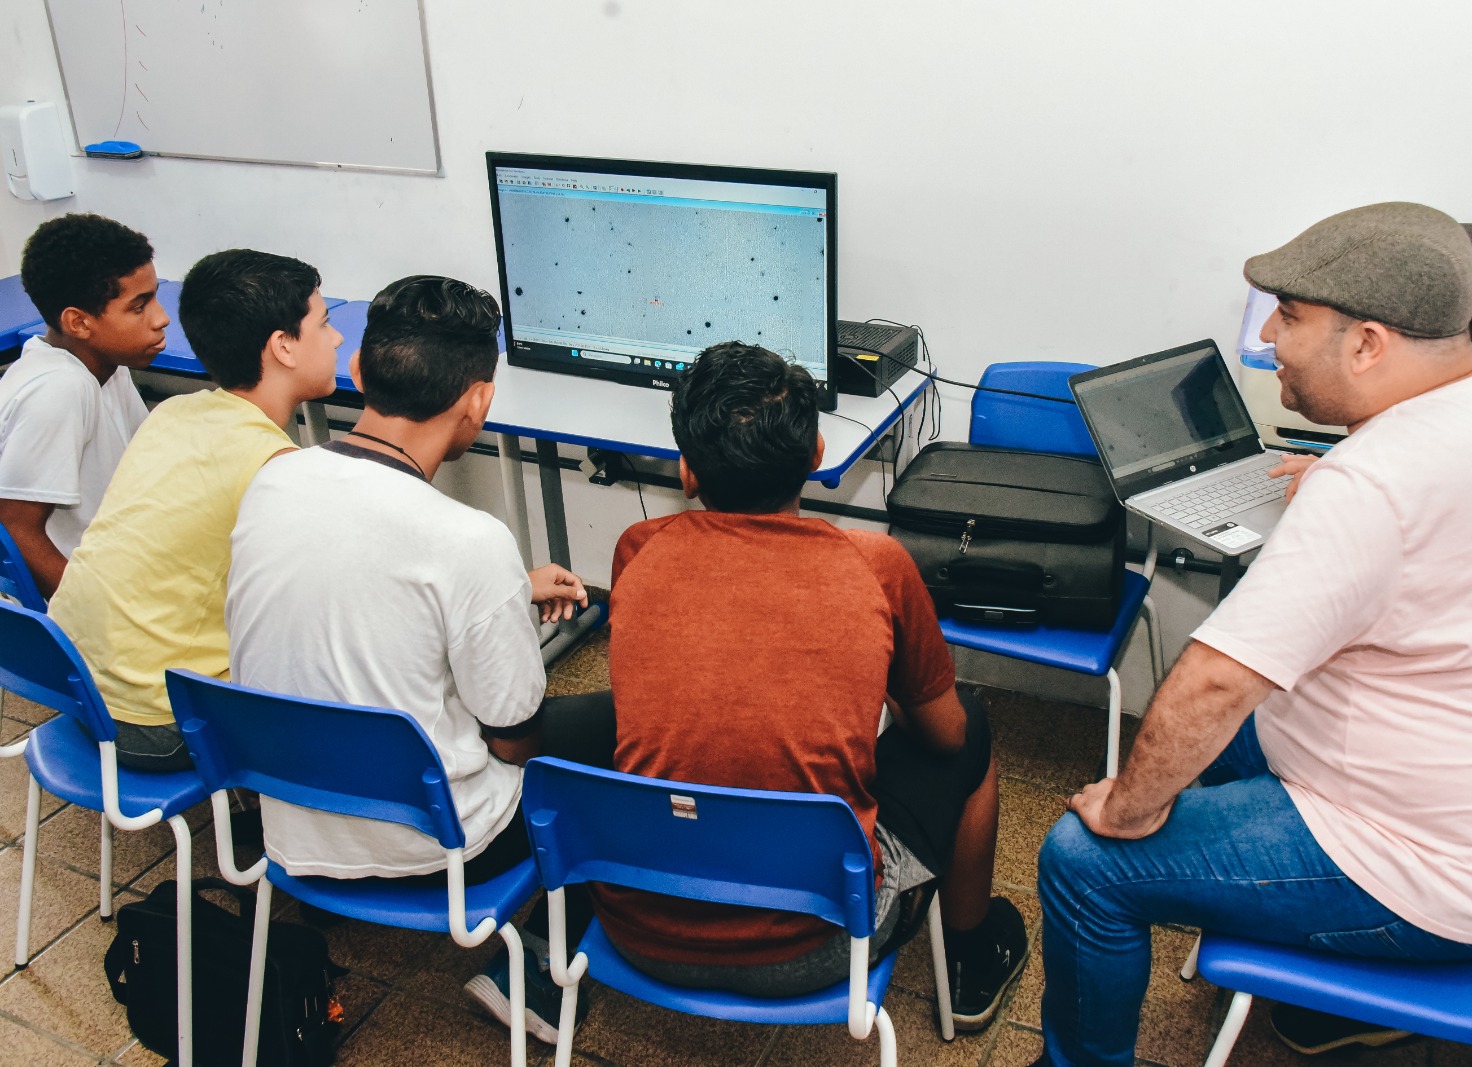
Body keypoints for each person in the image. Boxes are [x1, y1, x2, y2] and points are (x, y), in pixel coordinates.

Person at [1031, 202, 1472, 1066]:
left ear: (1369, 343)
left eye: (1290, 316)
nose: (1270, 336)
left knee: (1083, 857)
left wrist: (1127, 808)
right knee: (1205, 747)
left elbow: (1219, 679)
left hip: (1432, 879)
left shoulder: (1373, 487)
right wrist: (1339, 477)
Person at [588, 340, 1029, 1029]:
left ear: (687, 470)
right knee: (971, 729)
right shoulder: (876, 564)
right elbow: (943, 734)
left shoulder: (638, 548)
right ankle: (974, 956)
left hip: (636, 927)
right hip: (818, 943)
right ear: (818, 453)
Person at [224, 275, 595, 1043]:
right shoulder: (470, 540)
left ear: (361, 368)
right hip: (444, 852)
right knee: (623, 736)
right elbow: (514, 738)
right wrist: (494, 597)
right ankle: (537, 971)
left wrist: (502, 595)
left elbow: (361, 581)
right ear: (479, 401)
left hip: (292, 832)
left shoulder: (274, 477)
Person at [49, 248, 342, 770]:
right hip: (158, 722)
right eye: (323, 324)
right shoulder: (276, 467)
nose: (338, 339)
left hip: (77, 687)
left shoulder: (175, 412)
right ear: (284, 347)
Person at [0, 214, 166, 597]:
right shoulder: (61, 387)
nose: (161, 318)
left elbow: (143, 474)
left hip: (117, 575)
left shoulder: (108, 365)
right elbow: (14, 528)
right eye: (139, 306)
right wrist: (97, 616)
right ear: (78, 322)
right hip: (81, 602)